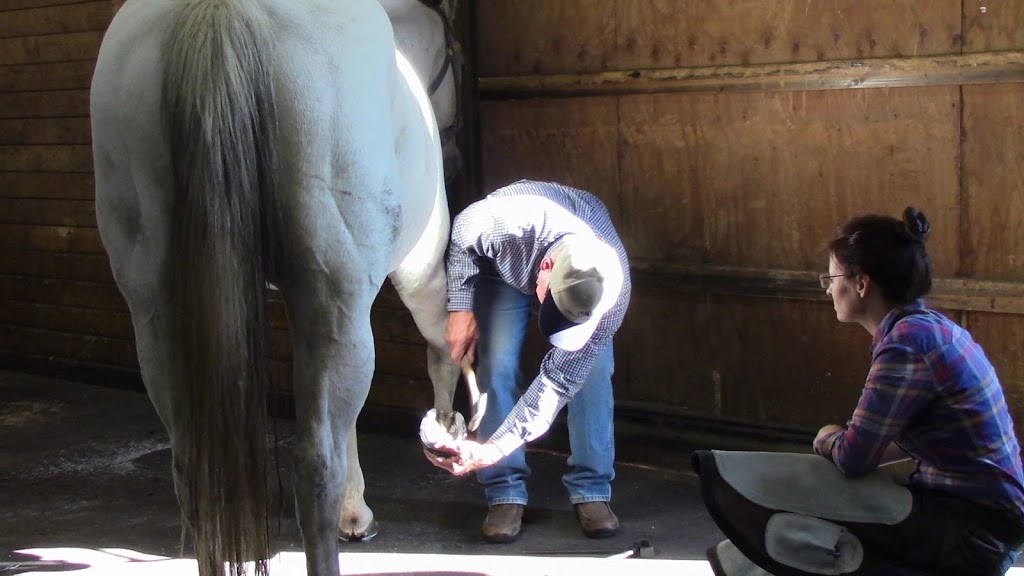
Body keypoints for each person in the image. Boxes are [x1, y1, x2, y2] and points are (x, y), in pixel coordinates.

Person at [695, 207, 1024, 576]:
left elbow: (854, 457)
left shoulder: (906, 344)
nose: (828, 288)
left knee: (816, 492)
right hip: (993, 516)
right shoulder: (930, 328)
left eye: (832, 277)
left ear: (861, 284)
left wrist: (827, 438)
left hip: (975, 530)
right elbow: (898, 442)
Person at [423, 179, 631, 543]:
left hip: (564, 262)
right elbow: (463, 230)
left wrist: (489, 449)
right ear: (546, 268)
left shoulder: (610, 299)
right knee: (497, 364)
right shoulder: (506, 223)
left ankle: (592, 488)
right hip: (509, 262)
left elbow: (558, 383)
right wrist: (460, 307)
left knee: (591, 374)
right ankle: (504, 490)